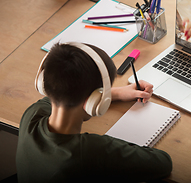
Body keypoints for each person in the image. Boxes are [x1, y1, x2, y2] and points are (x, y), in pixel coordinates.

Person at [16, 42, 172, 183]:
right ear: (96, 102)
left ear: (43, 84)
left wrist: (116, 93)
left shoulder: (32, 115)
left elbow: (65, 89)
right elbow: (163, 163)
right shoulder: (90, 152)